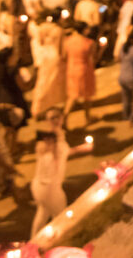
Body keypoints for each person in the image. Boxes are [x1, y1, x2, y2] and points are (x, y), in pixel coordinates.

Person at [29, 107, 93, 238]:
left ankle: (33, 242)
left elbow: (65, 152)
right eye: (51, 118)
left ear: (62, 118)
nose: (55, 120)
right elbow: (46, 152)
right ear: (47, 121)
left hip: (42, 187)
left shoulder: (59, 135)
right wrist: (50, 147)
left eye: (57, 116)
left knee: (43, 213)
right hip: (48, 187)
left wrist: (82, 148)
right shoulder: (47, 139)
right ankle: (64, 240)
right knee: (61, 217)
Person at [63, 23, 97, 128]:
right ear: (84, 30)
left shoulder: (67, 41)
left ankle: (65, 117)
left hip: (71, 69)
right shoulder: (89, 43)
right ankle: (87, 117)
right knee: (87, 95)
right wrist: (102, 49)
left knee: (72, 95)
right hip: (84, 70)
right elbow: (93, 59)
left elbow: (64, 56)